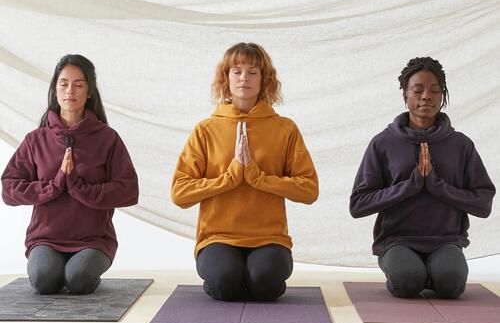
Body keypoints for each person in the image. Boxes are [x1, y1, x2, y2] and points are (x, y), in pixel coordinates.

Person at [171, 42, 318, 301]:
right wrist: (231, 176)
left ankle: (255, 279)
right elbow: (180, 193)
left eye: (253, 72)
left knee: (265, 284)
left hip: (269, 237)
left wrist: (257, 177)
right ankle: (232, 279)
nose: (244, 78)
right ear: (226, 78)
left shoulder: (285, 129)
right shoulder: (206, 130)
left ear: (265, 79)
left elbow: (308, 190)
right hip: (217, 237)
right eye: (237, 71)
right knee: (225, 284)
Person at [350, 57, 495, 299]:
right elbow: (358, 204)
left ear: (442, 96)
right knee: (407, 283)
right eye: (418, 90)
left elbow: (483, 203)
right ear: (405, 95)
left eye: (435, 90)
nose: (426, 96)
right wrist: (412, 185)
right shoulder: (383, 143)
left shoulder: (461, 145)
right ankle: (416, 272)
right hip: (397, 240)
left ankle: (433, 273)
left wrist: (437, 186)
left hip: (445, 240)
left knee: (452, 285)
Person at [1, 54, 139, 295]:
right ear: (55, 90)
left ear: (90, 91)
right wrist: (54, 185)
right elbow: (9, 189)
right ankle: (56, 269)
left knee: (79, 280)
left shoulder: (108, 138)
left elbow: (129, 190)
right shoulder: (36, 139)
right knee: (45, 280)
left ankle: (76, 270)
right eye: (63, 83)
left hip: (93, 239)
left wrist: (77, 186)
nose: (70, 91)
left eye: (79, 84)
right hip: (46, 238)